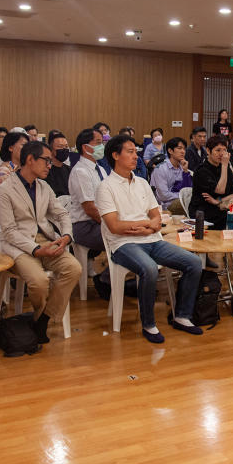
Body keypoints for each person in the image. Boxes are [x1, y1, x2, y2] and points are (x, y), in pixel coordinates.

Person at [96, 134, 205, 343]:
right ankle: (149, 324)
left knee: (193, 262)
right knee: (148, 268)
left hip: (152, 240)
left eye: (135, 152)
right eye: (129, 151)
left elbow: (157, 217)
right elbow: (115, 226)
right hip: (123, 244)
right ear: (115, 155)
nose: (135, 156)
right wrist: (146, 225)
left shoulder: (142, 183)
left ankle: (182, 315)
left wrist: (147, 227)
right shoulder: (105, 187)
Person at [0, 141, 82, 344]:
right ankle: (39, 318)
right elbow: (8, 231)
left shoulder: (43, 186)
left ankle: (43, 319)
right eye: (46, 161)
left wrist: (67, 236)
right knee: (39, 282)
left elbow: (61, 214)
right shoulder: (5, 189)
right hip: (18, 246)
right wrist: (35, 249)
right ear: (30, 160)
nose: (49, 166)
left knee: (74, 268)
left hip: (45, 240)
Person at [68, 128, 111, 288]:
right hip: (84, 226)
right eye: (99, 143)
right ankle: (105, 281)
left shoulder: (99, 169)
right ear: (86, 147)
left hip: (99, 223)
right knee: (122, 238)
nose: (102, 147)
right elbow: (90, 208)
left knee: (130, 235)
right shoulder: (80, 171)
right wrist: (112, 224)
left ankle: (110, 279)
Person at [190, 134, 233, 229]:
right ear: (208, 151)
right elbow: (220, 190)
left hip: (221, 209)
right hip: (203, 212)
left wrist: (217, 201)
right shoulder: (201, 171)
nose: (222, 154)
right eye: (218, 150)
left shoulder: (226, 169)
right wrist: (225, 166)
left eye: (224, 150)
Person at [150, 136, 192, 215]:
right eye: (179, 148)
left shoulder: (182, 167)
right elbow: (163, 196)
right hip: (164, 205)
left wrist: (186, 172)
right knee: (190, 203)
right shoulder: (160, 169)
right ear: (170, 151)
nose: (183, 151)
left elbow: (187, 189)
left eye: (184, 149)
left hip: (178, 200)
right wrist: (182, 196)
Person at [43, 130, 72, 197]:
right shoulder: (46, 170)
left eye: (66, 146)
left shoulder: (69, 170)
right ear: (51, 149)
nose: (64, 149)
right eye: (60, 146)